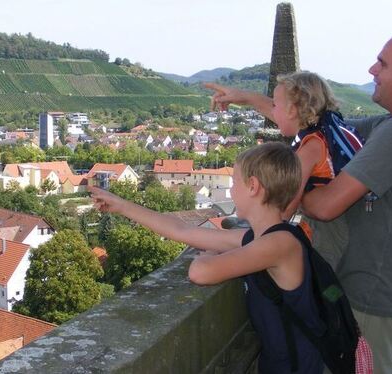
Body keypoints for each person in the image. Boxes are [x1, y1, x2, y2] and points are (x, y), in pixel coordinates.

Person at [89, 142, 325, 373]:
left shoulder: (279, 244)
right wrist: (121, 206)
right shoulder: (262, 236)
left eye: (234, 182)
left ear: (253, 186)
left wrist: (210, 253)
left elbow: (200, 272)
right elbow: (182, 231)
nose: (231, 190)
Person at [298, 34, 392, 373]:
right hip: (374, 293)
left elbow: (325, 207)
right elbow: (325, 129)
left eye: (382, 63)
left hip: (373, 299)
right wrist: (249, 100)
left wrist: (294, 191)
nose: (371, 69)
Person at [205, 71, 348, 268]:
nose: (272, 111)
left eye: (275, 104)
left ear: (291, 111)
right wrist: (244, 97)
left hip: (327, 238)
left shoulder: (310, 148)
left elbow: (285, 206)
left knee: (317, 284)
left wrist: (256, 237)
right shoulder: (324, 129)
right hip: (338, 232)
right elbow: (280, 114)